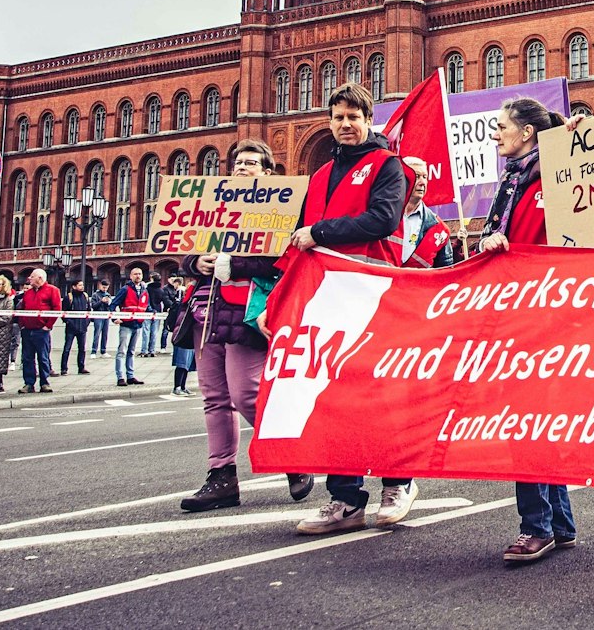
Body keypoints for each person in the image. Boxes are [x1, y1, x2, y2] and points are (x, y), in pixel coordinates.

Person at [287, 82, 423, 536]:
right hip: (328, 297)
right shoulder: (320, 176)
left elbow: (382, 219)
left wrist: (321, 232)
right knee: (333, 399)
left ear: (368, 120)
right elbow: (298, 240)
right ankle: (345, 499)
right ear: (329, 122)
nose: (346, 125)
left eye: (354, 117)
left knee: (380, 394)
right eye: (338, 117)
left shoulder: (388, 165)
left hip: (374, 294)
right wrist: (277, 300)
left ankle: (398, 482)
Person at [180, 140, 316, 513]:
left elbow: (281, 259)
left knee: (246, 394)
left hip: (246, 311)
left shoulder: (279, 209)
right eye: (238, 162)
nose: (242, 167)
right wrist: (196, 263)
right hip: (205, 310)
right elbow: (184, 246)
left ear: (268, 172)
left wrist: (233, 264)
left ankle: (290, 454)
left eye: (251, 163)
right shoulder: (214, 205)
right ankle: (221, 476)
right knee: (214, 398)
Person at [478, 96, 580, 563]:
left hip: (545, 316)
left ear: (527, 133)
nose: (495, 133)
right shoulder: (512, 181)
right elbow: (497, 236)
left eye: (501, 126)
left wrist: (578, 143)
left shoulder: (556, 174)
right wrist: (491, 241)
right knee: (536, 420)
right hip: (517, 314)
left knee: (527, 420)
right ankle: (559, 523)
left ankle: (536, 526)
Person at [15, 267, 62, 394]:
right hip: (27, 330)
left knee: (43, 357)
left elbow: (57, 309)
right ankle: (29, 383)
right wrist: (22, 325)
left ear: (40, 278)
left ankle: (44, 382)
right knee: (27, 358)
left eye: (32, 276)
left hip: (41, 331)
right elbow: (22, 308)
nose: (29, 279)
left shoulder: (53, 290)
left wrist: (48, 326)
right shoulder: (28, 293)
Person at [112, 266, 150, 386]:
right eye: (135, 274)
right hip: (126, 324)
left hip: (138, 324)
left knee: (132, 351)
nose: (138, 276)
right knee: (122, 351)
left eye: (140, 274)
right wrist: (114, 318)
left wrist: (153, 313)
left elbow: (146, 306)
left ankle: (130, 376)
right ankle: (120, 377)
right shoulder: (125, 289)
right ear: (131, 276)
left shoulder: (144, 290)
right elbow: (113, 304)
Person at [60, 278, 92, 375]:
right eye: (80, 285)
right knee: (67, 348)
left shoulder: (85, 296)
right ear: (74, 287)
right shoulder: (68, 297)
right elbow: (63, 313)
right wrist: (69, 322)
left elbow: (88, 310)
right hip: (71, 328)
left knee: (82, 349)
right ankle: (64, 368)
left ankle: (81, 367)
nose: (82, 287)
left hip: (82, 327)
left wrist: (87, 322)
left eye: (82, 285)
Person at [89, 280, 112, 356]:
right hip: (98, 315)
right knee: (97, 333)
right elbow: (93, 306)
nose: (105, 289)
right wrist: (101, 301)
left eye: (106, 288)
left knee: (105, 334)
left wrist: (108, 303)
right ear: (100, 286)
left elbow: (110, 307)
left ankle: (103, 350)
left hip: (106, 316)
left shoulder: (108, 295)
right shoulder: (95, 295)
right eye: (103, 287)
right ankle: (94, 351)